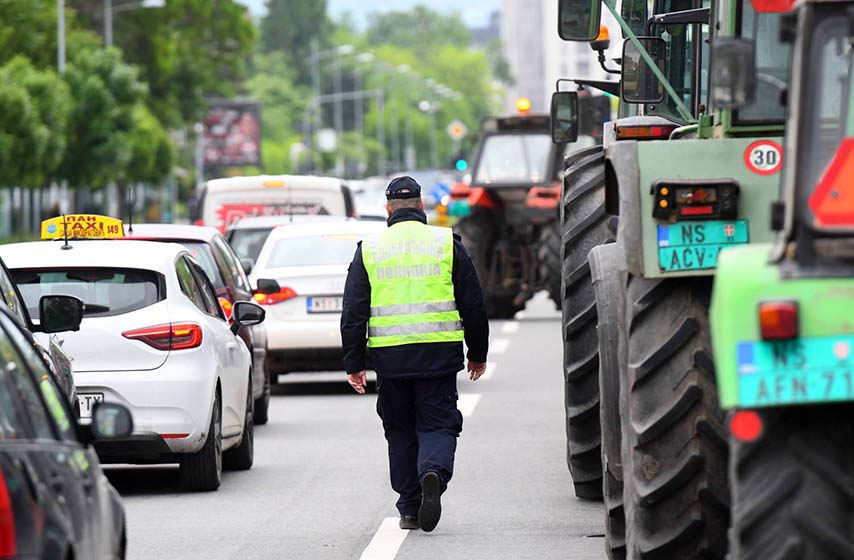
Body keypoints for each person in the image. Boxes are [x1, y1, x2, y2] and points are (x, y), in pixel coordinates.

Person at [341, 176, 489, 532]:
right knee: (438, 423)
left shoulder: (371, 247)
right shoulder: (444, 242)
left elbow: (353, 311)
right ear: (421, 205)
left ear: (388, 209)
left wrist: (354, 363)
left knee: (400, 430)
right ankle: (433, 472)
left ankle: (409, 507)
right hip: (438, 356)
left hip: (391, 360)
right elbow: (473, 302)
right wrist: (478, 353)